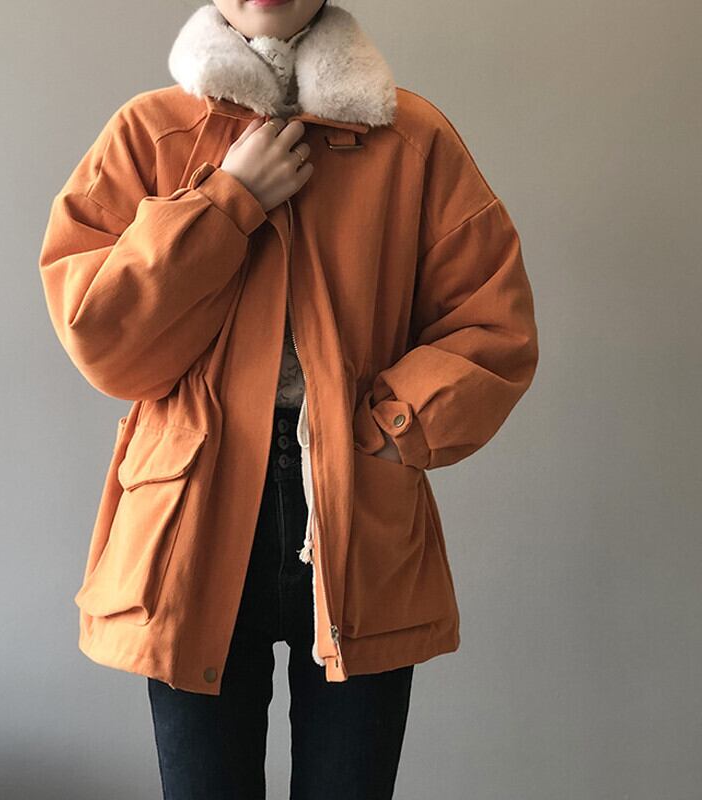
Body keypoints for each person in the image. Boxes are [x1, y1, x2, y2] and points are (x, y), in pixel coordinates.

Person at [38, 1, 539, 798]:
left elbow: (494, 326)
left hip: (356, 510)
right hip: (192, 514)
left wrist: (392, 426)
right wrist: (228, 201)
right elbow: (104, 337)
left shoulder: (411, 141)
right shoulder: (151, 134)